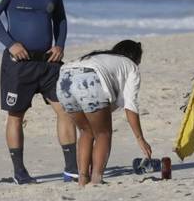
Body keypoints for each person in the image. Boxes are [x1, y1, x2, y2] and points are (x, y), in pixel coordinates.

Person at [0, 0, 77, 184]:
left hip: (48, 62)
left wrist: (60, 44)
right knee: (16, 115)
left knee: (66, 110)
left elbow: (61, 19)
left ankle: (71, 168)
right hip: (19, 65)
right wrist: (10, 44)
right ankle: (20, 171)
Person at [56, 40, 151, 185]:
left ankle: (82, 178)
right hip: (89, 79)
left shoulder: (101, 57)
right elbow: (130, 105)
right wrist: (140, 138)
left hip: (64, 79)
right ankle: (96, 179)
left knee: (85, 131)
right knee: (103, 133)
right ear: (135, 57)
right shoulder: (130, 66)